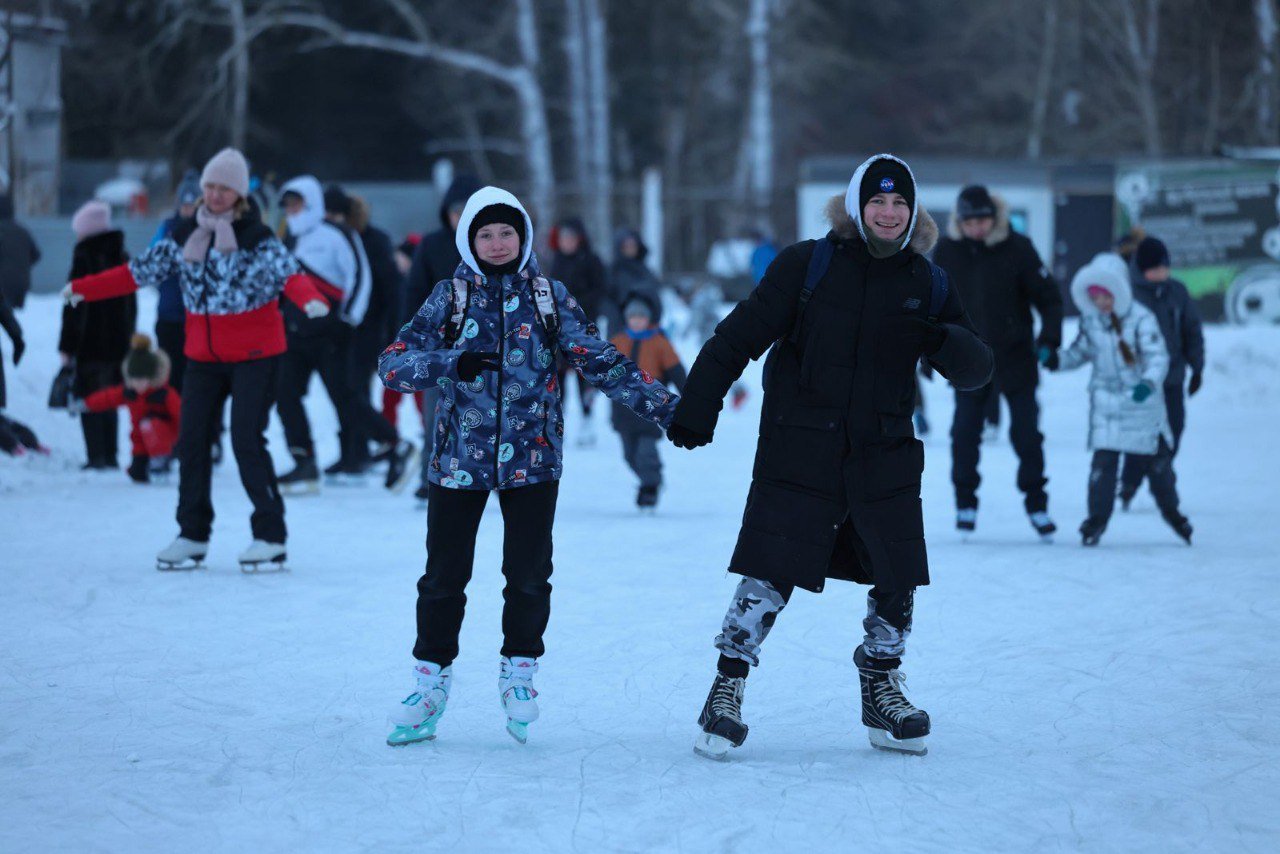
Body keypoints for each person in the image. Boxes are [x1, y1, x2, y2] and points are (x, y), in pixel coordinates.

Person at [666, 154, 993, 760]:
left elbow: (976, 369)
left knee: (896, 574)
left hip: (883, 451)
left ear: (912, 210)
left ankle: (881, 688)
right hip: (802, 445)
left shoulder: (926, 282)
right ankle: (726, 689)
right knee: (771, 568)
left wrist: (943, 339)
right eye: (877, 202)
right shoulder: (806, 265)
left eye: (900, 203)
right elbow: (738, 335)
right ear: (856, 206)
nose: (889, 213)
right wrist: (698, 404)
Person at [378, 186, 678, 747]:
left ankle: (520, 674)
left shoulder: (548, 296)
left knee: (529, 576)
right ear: (469, 238)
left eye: (506, 233)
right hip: (456, 462)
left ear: (523, 236)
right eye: (485, 234)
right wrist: (450, 362)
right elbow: (392, 365)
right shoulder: (449, 296)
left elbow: (599, 357)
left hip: (533, 460)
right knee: (444, 579)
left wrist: (665, 408)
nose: (496, 244)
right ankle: (429, 683)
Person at [63, 147, 330, 571]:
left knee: (246, 440)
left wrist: (310, 301)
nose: (215, 194)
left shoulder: (257, 238)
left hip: (256, 356)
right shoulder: (185, 235)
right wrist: (85, 287)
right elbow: (137, 273)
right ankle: (192, 534)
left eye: (224, 187)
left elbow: (290, 275)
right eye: (210, 186)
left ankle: (270, 535)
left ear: (239, 193)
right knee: (191, 442)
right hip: (202, 357)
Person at [931, 185, 1063, 540]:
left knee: (1026, 435)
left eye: (984, 219)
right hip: (969, 359)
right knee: (964, 433)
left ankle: (1037, 503)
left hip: (1016, 358)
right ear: (960, 221)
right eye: (970, 221)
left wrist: (1049, 339)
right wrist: (930, 351)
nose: (978, 227)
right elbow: (930, 304)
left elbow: (1049, 299)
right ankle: (965, 501)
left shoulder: (1017, 248)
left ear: (995, 217)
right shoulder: (947, 251)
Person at [273, 175, 416, 493]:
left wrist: (347, 320)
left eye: (296, 203)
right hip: (296, 335)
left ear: (311, 203)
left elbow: (360, 277)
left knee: (347, 400)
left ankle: (395, 445)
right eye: (286, 205)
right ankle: (304, 461)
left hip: (331, 335)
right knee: (285, 396)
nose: (291, 210)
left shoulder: (336, 234)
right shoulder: (289, 241)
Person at [1046, 253, 1192, 546]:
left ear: (1119, 291)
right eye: (1095, 297)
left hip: (1141, 405)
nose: (1101, 302)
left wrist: (1148, 384)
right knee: (1103, 469)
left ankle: (1174, 514)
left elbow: (1157, 357)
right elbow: (1080, 352)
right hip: (1108, 407)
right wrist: (1055, 360)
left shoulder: (1141, 318)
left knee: (1158, 467)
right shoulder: (1092, 322)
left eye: (1106, 296)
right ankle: (1095, 522)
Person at [399, 174, 484, 502]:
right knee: (436, 415)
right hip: (439, 347)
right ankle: (429, 477)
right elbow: (414, 291)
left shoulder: (490, 243)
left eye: (466, 209)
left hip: (483, 346)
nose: (459, 216)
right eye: (454, 210)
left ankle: (479, 473)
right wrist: (411, 337)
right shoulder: (432, 245)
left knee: (480, 416)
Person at [1118, 236, 1205, 509]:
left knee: (1174, 429)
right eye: (1155, 268)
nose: (1161, 273)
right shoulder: (1128, 295)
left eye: (1164, 268)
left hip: (1172, 378)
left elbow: (1192, 330)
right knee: (1141, 433)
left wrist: (1197, 368)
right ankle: (1130, 483)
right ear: (1142, 269)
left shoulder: (1176, 292)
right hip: (1140, 380)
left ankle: (1158, 472)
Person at [59, 200, 136, 471]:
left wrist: (67, 345)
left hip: (89, 342)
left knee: (89, 397)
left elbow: (73, 304)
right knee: (112, 396)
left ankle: (96, 457)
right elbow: (132, 304)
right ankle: (111, 455)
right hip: (118, 341)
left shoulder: (84, 256)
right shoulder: (122, 255)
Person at [345, 191, 407, 465]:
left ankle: (387, 442)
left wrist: (393, 330)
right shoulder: (346, 240)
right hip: (352, 329)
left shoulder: (375, 241)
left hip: (373, 328)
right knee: (353, 390)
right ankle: (357, 450)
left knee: (358, 391)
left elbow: (391, 291)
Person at [608, 292, 686, 509]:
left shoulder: (660, 342)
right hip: (622, 407)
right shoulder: (617, 341)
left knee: (646, 451)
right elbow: (600, 367)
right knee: (629, 455)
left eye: (641, 317)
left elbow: (677, 372)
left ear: (649, 318)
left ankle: (651, 486)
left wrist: (688, 397)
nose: (637, 321)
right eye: (633, 317)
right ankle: (647, 480)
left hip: (651, 406)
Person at [76, 334, 181, 484]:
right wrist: (86, 404)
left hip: (166, 439)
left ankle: (161, 462)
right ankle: (144, 465)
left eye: (141, 380)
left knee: (149, 424)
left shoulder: (164, 394)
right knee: (137, 475)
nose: (137, 384)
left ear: (151, 377)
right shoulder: (129, 393)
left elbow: (182, 415)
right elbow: (107, 398)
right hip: (140, 442)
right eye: (133, 379)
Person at [549, 217, 608, 446]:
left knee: (585, 375)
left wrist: (575, 304)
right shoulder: (556, 261)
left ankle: (587, 420)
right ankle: (557, 422)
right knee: (558, 375)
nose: (567, 242)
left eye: (571, 238)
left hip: (584, 326)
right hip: (559, 330)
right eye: (564, 238)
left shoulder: (591, 260)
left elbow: (600, 291)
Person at [151, 170, 202, 392]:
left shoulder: (208, 229)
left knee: (195, 378)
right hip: (170, 314)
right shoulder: (167, 228)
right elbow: (151, 263)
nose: (188, 211)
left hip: (197, 317)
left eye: (192, 205)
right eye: (185, 205)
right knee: (170, 378)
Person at [607, 228, 662, 334]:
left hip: (646, 329)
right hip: (620, 329)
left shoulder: (646, 272)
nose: (630, 249)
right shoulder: (612, 272)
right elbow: (607, 300)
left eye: (632, 245)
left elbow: (655, 300)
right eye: (626, 246)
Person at [0, 194, 41, 310]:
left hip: (2, 284)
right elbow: (36, 255)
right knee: (8, 316)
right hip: (21, 283)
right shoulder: (23, 231)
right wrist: (21, 266)